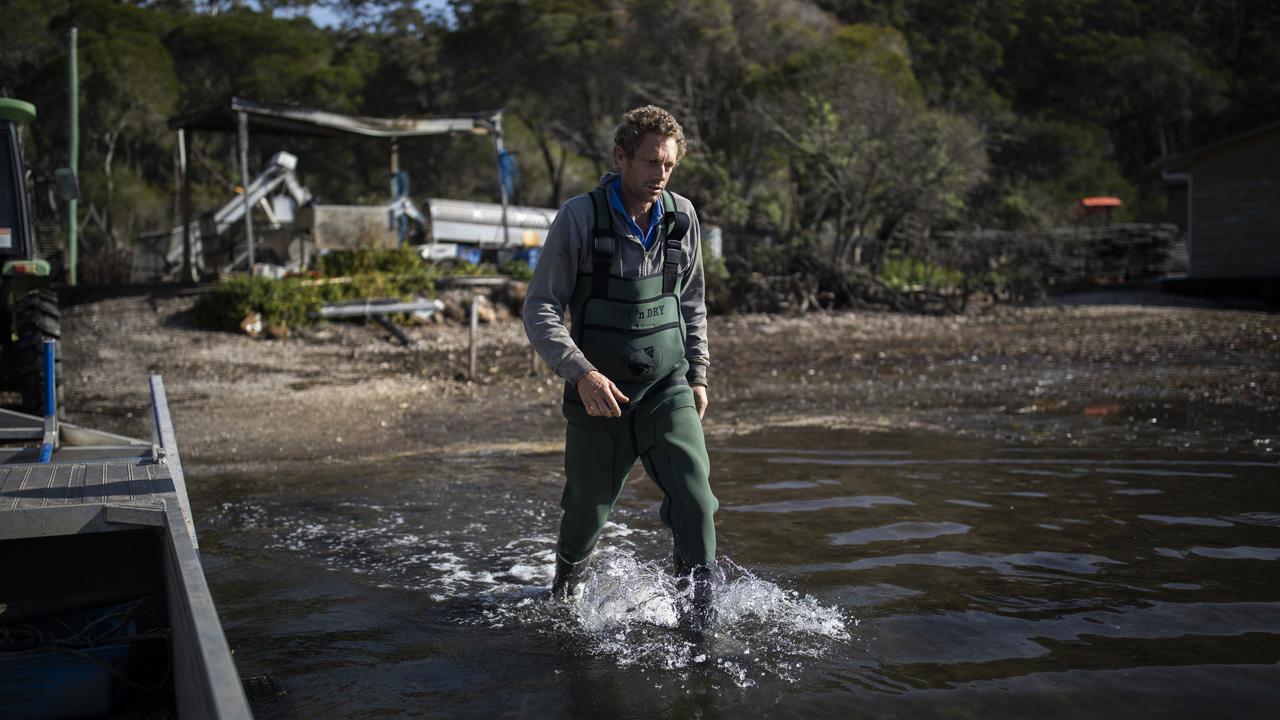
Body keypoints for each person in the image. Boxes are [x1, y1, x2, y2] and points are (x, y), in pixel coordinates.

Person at [522, 105, 716, 621]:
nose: (660, 175)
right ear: (621, 156)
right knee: (586, 512)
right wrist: (580, 373)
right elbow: (540, 306)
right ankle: (564, 601)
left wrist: (697, 372)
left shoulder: (682, 217)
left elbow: (691, 300)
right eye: (651, 162)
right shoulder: (580, 218)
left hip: (667, 387)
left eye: (669, 165)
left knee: (696, 501)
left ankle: (699, 618)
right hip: (599, 394)